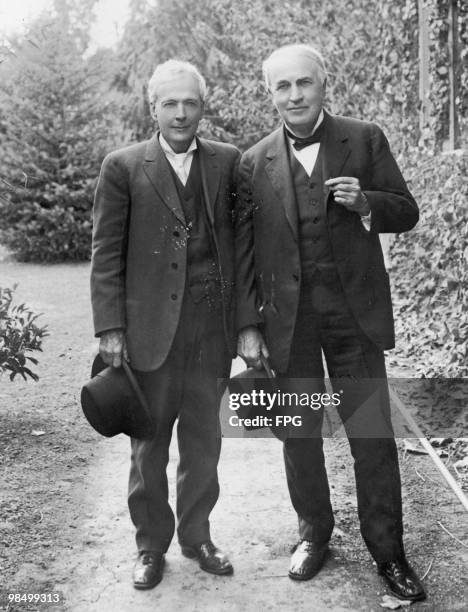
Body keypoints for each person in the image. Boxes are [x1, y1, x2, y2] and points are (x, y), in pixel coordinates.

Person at [235, 44, 426, 602]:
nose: (294, 96)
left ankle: (389, 554)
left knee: (371, 435)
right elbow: (244, 254)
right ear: (269, 93)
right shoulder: (254, 161)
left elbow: (406, 209)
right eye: (282, 87)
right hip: (288, 325)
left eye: (303, 84)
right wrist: (248, 327)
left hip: (353, 320)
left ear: (324, 83)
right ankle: (314, 535)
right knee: (299, 435)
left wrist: (368, 202)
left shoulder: (363, 138)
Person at [90, 59, 239, 589]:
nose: (180, 113)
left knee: (204, 440)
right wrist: (111, 326)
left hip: (209, 332)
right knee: (149, 443)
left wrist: (244, 325)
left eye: (190, 102)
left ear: (203, 107)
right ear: (153, 108)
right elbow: (106, 251)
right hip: (149, 331)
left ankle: (197, 536)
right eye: (169, 103)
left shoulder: (228, 162)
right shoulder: (123, 165)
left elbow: (240, 251)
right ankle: (151, 545)